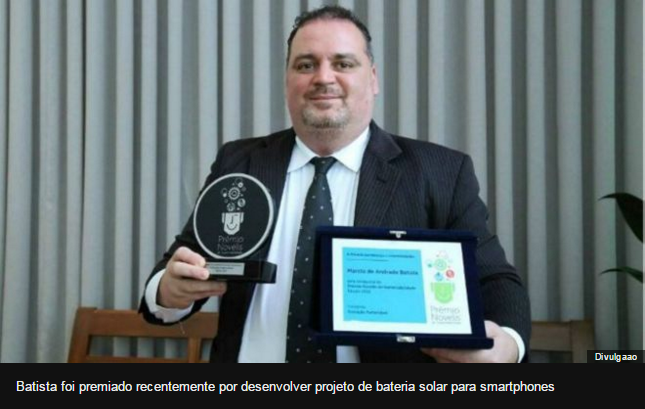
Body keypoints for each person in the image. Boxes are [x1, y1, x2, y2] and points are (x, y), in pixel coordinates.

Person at [139, 5, 530, 363]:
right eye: (306, 65)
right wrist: (168, 291)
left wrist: (507, 348)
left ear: (372, 78)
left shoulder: (440, 172)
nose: (324, 78)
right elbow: (178, 268)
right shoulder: (239, 163)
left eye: (343, 63)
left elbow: (496, 281)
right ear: (287, 79)